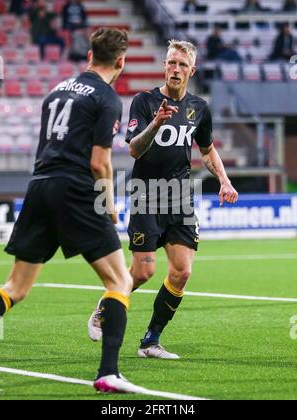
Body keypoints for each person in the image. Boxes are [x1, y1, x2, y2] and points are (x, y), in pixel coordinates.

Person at [0, 27, 142, 394]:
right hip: (76, 190)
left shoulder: (56, 90)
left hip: (40, 185)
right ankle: (109, 372)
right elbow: (99, 162)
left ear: (89, 55)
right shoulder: (107, 98)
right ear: (121, 63)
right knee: (120, 282)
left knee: (15, 287)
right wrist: (108, 205)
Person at [88, 40, 238, 359]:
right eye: (171, 63)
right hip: (146, 194)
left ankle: (151, 340)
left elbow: (207, 151)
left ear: (191, 71)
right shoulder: (145, 102)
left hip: (180, 198)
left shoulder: (199, 107)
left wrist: (224, 180)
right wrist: (156, 123)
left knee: (182, 272)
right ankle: (106, 305)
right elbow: (134, 149)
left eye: (182, 65)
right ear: (164, 66)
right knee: (143, 272)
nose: (176, 69)